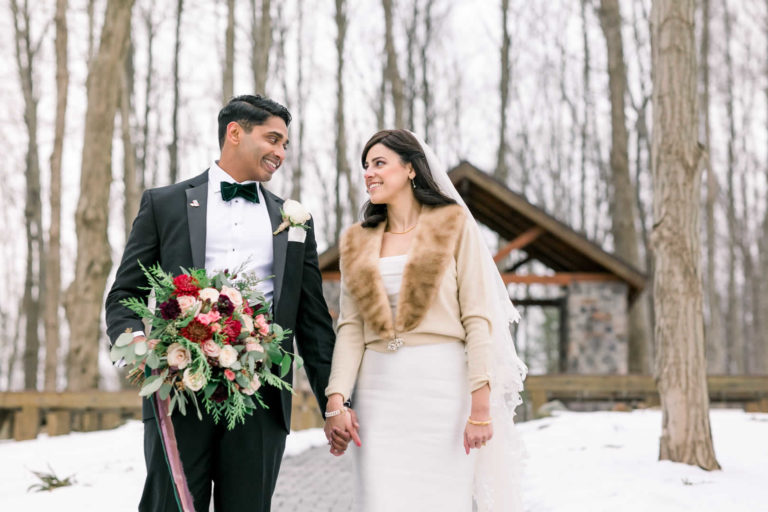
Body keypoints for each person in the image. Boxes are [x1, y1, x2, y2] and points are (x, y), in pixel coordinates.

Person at [106, 94, 347, 512]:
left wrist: (334, 400)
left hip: (262, 398)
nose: (281, 153)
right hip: (178, 389)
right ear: (234, 133)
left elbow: (312, 322)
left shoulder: (294, 221)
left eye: (286, 144)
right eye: (273, 139)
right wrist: (140, 351)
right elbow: (125, 293)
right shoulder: (164, 204)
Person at [323, 129, 527, 511]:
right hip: (378, 394)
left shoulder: (453, 225)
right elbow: (350, 327)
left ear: (412, 169)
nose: (368, 173)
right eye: (365, 166)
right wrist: (337, 400)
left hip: (442, 389)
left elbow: (478, 317)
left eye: (379, 163)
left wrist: (480, 409)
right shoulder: (356, 240)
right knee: (379, 500)